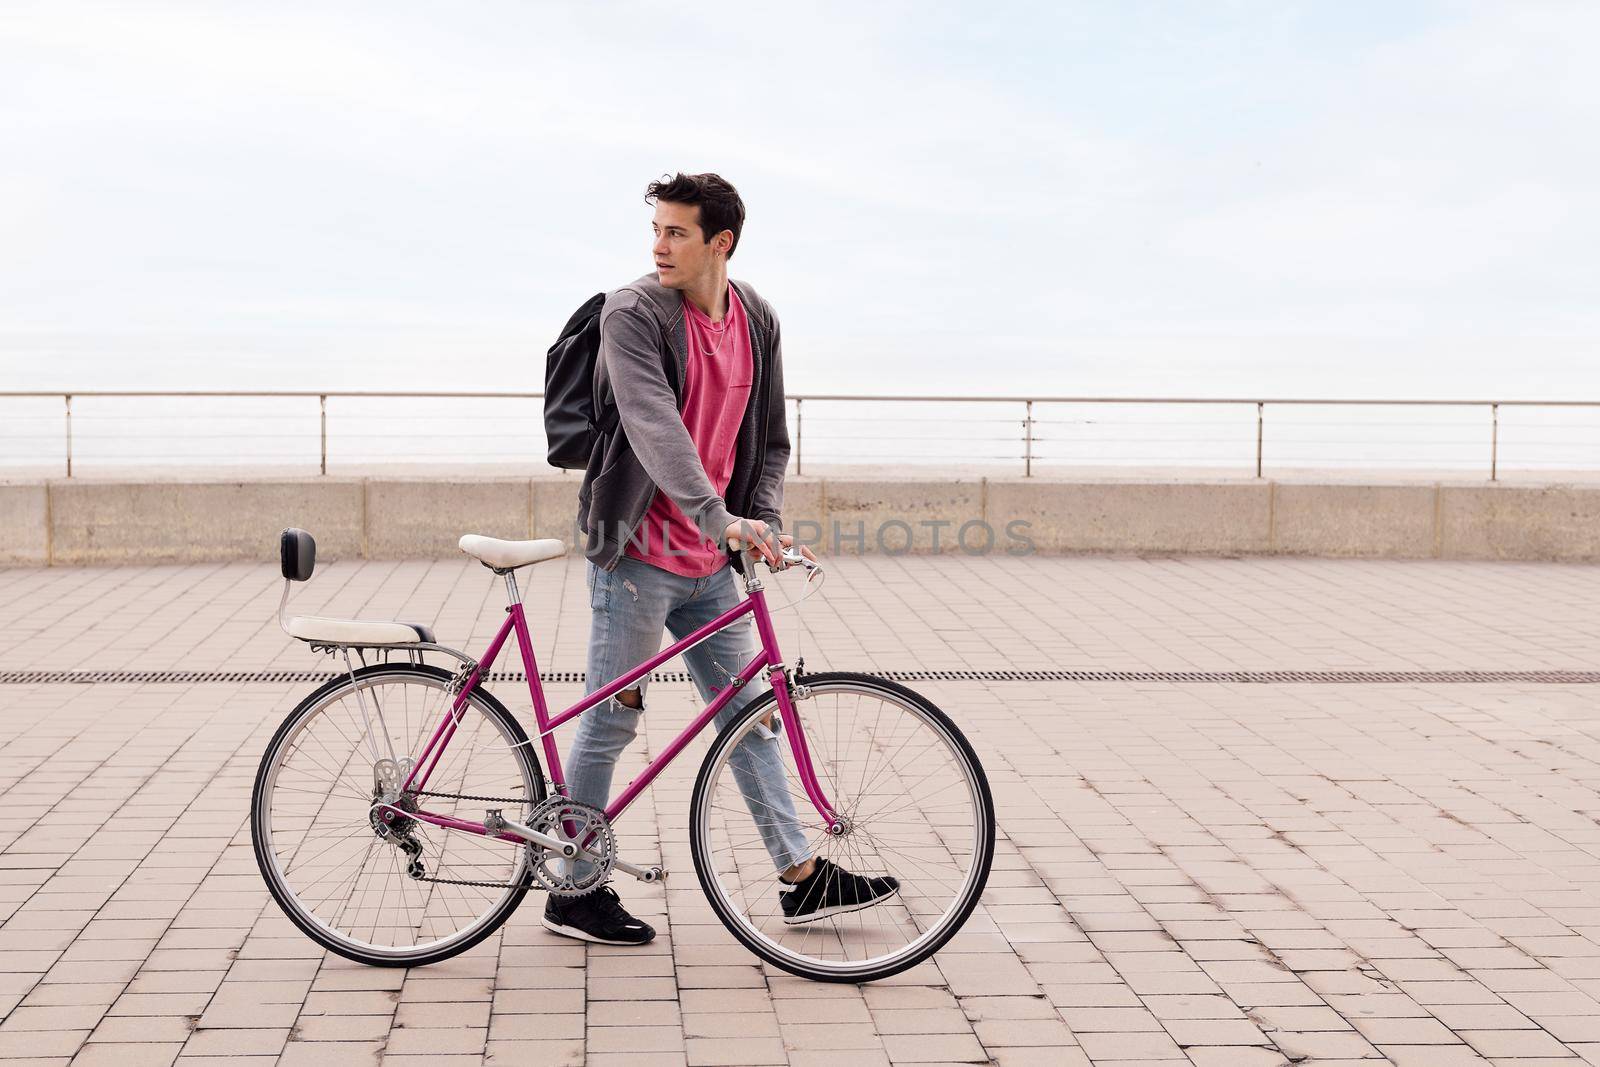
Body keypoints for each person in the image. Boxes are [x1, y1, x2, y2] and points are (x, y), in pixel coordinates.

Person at [545, 172, 898, 945]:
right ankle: (573, 889)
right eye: (657, 230)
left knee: (749, 716)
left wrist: (758, 523)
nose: (658, 245)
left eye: (676, 232)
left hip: (712, 562)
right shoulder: (634, 312)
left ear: (720, 243)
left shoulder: (757, 318)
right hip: (636, 553)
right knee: (611, 722)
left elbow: (767, 438)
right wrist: (720, 517)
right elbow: (652, 424)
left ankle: (801, 879)